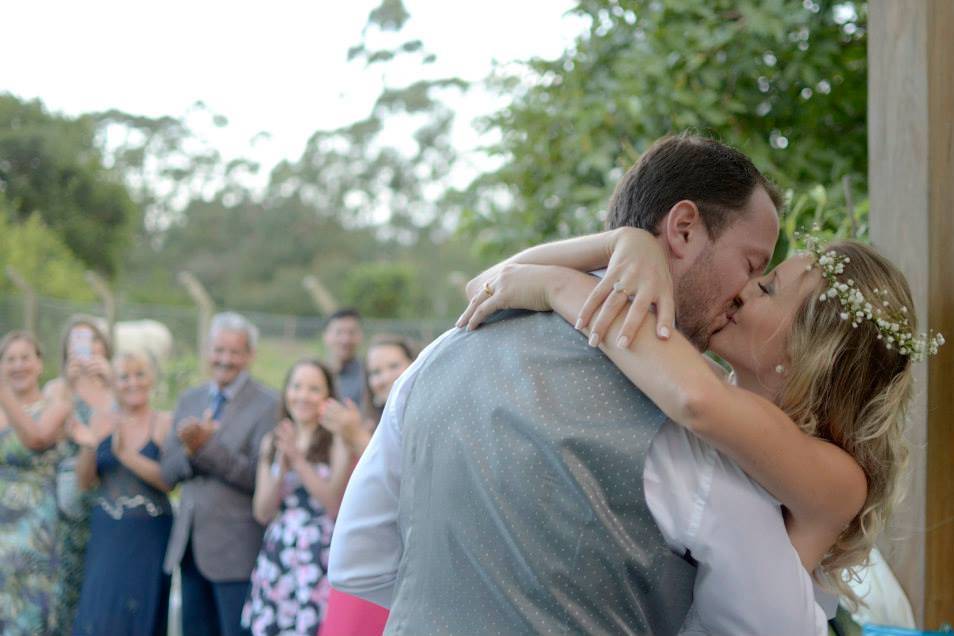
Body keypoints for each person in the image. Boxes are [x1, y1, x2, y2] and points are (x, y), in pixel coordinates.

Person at [329, 134, 830, 635]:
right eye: (751, 265)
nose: (745, 294)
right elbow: (772, 626)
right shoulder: (686, 425)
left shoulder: (437, 357)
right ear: (682, 230)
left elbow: (358, 565)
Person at [458, 230, 930, 619]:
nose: (744, 289)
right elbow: (491, 285)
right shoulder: (694, 380)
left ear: (814, 350)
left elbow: (697, 402)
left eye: (766, 288)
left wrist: (558, 289)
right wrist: (621, 243)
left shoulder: (840, 480)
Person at [160, 312, 279, 636]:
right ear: (207, 351)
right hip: (189, 548)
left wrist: (205, 447)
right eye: (218, 350)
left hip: (237, 553)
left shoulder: (269, 404)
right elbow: (167, 472)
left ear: (250, 355)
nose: (224, 359)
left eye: (234, 352)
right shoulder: (190, 398)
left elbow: (257, 477)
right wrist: (190, 451)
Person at [241, 360, 351, 635]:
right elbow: (262, 512)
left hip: (319, 551)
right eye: (296, 386)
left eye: (314, 389)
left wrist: (298, 460)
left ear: (327, 396)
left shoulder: (337, 440)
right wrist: (281, 464)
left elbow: (333, 505)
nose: (303, 396)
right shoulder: (273, 440)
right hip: (280, 551)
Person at [319, 336, 417, 636]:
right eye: (374, 372)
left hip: (392, 569)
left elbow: (408, 483)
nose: (384, 377)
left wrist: (356, 437)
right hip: (358, 567)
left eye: (393, 366)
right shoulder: (357, 424)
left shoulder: (420, 425)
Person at [71, 351, 174, 636]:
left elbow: (168, 480)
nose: (133, 383)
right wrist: (89, 446)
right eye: (124, 377)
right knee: (99, 611)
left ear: (152, 378)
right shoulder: (101, 420)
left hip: (149, 534)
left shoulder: (163, 422)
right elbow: (84, 482)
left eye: (139, 374)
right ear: (113, 383)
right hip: (108, 533)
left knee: (140, 613)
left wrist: (124, 453)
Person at [45, 316, 115, 632]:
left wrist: (111, 387)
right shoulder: (56, 389)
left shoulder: (118, 387)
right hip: (67, 500)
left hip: (109, 496)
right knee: (64, 589)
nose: (86, 348)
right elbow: (45, 440)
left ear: (104, 345)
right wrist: (68, 392)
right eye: (77, 341)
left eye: (92, 339)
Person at [0, 331, 72, 634]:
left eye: (25, 358)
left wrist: (3, 390)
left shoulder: (55, 404)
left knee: (28, 609)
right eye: (10, 359)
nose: (18, 366)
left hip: (34, 527)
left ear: (40, 364)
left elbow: (36, 438)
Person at [322, 308, 365, 406]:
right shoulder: (314, 374)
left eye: (351, 332)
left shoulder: (369, 376)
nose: (345, 340)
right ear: (326, 336)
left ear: (360, 336)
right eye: (339, 332)